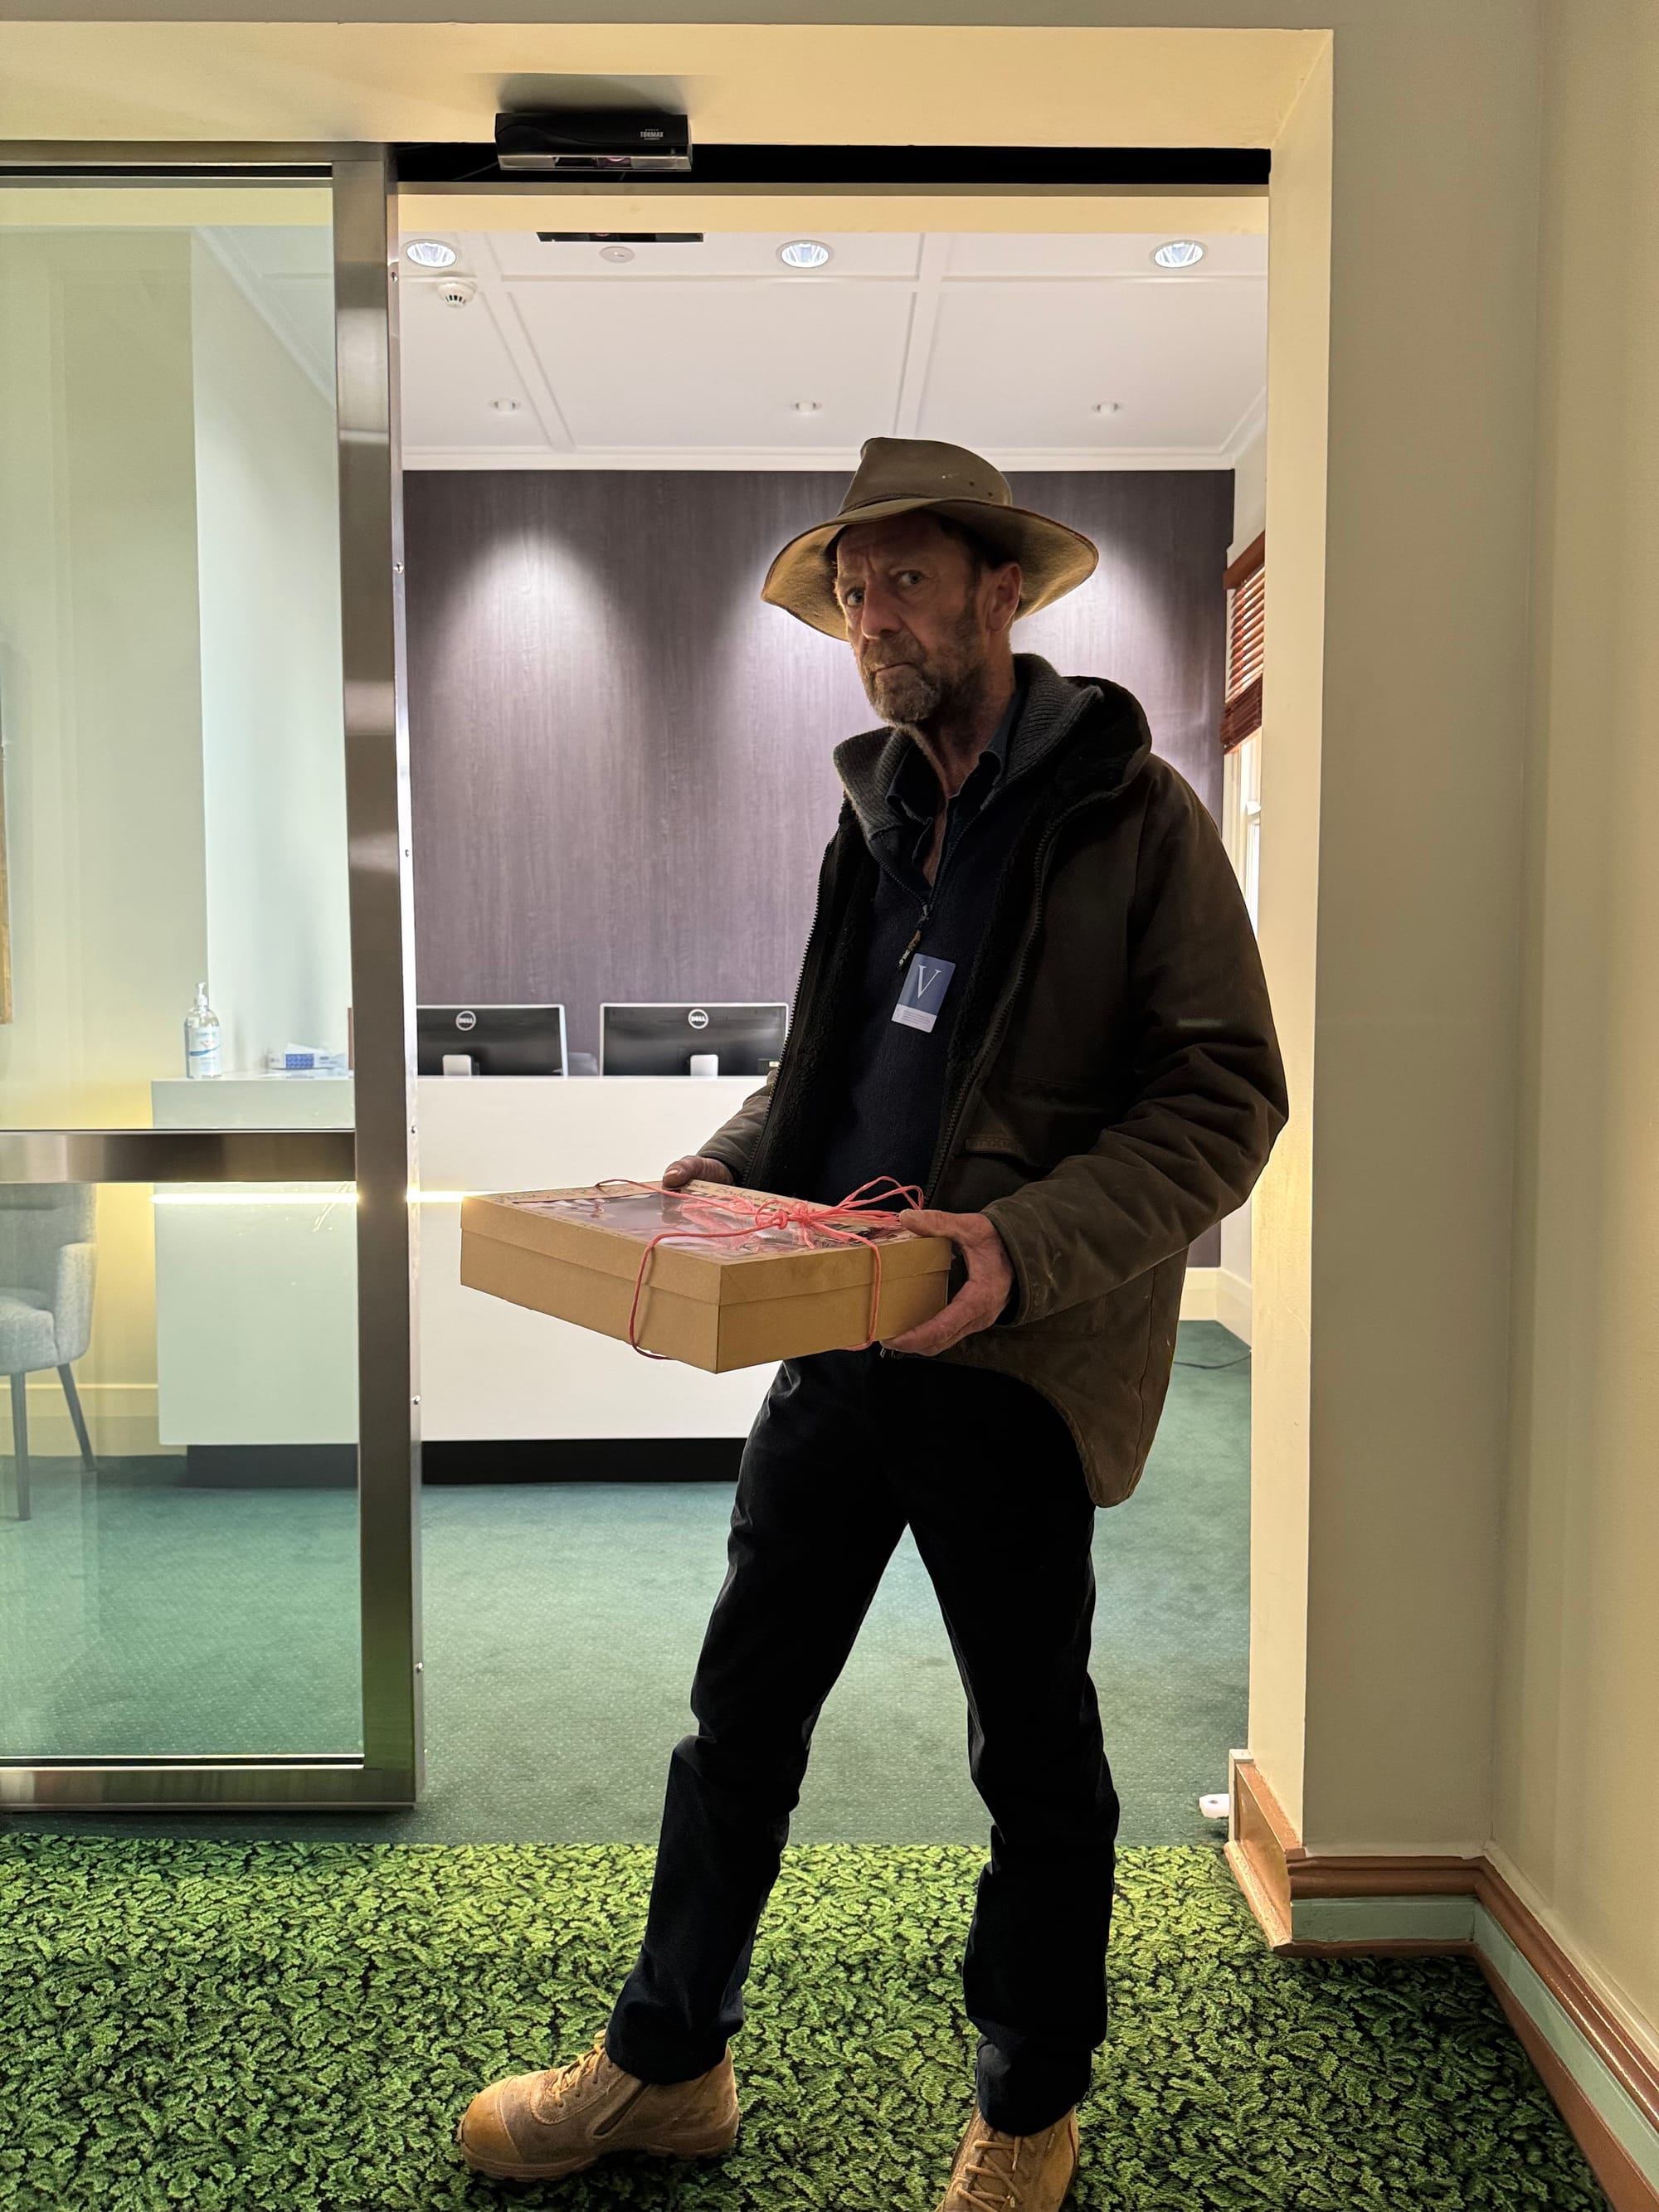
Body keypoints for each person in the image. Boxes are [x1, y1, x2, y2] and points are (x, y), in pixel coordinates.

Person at [458, 437, 1287, 2210]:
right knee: (736, 1719)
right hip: (837, 1343)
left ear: (1004, 588)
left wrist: (1019, 1241)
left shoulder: (1136, 818)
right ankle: (666, 2062)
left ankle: (1027, 2099)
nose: (872, 616)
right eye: (852, 590)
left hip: (1015, 1359)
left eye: (905, 577)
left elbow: (1225, 1095)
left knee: (1034, 1753)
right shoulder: (878, 816)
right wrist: (718, 1168)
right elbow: (823, 1071)